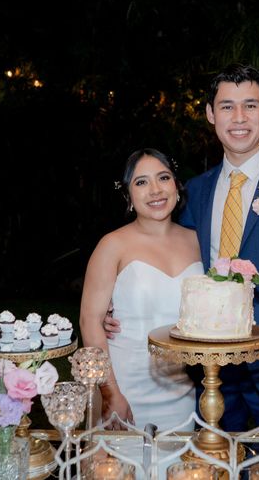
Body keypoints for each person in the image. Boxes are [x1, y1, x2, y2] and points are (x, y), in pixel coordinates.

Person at [106, 64, 259, 431]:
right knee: (212, 467)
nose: (239, 118)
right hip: (208, 374)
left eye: (250, 105)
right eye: (227, 106)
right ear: (210, 114)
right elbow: (170, 260)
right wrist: (117, 303)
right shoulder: (195, 191)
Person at [78, 148, 201, 432]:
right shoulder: (112, 245)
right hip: (124, 385)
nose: (155, 190)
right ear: (128, 196)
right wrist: (110, 393)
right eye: (141, 182)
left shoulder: (198, 242)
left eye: (163, 177)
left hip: (179, 390)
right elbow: (90, 321)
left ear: (177, 186)